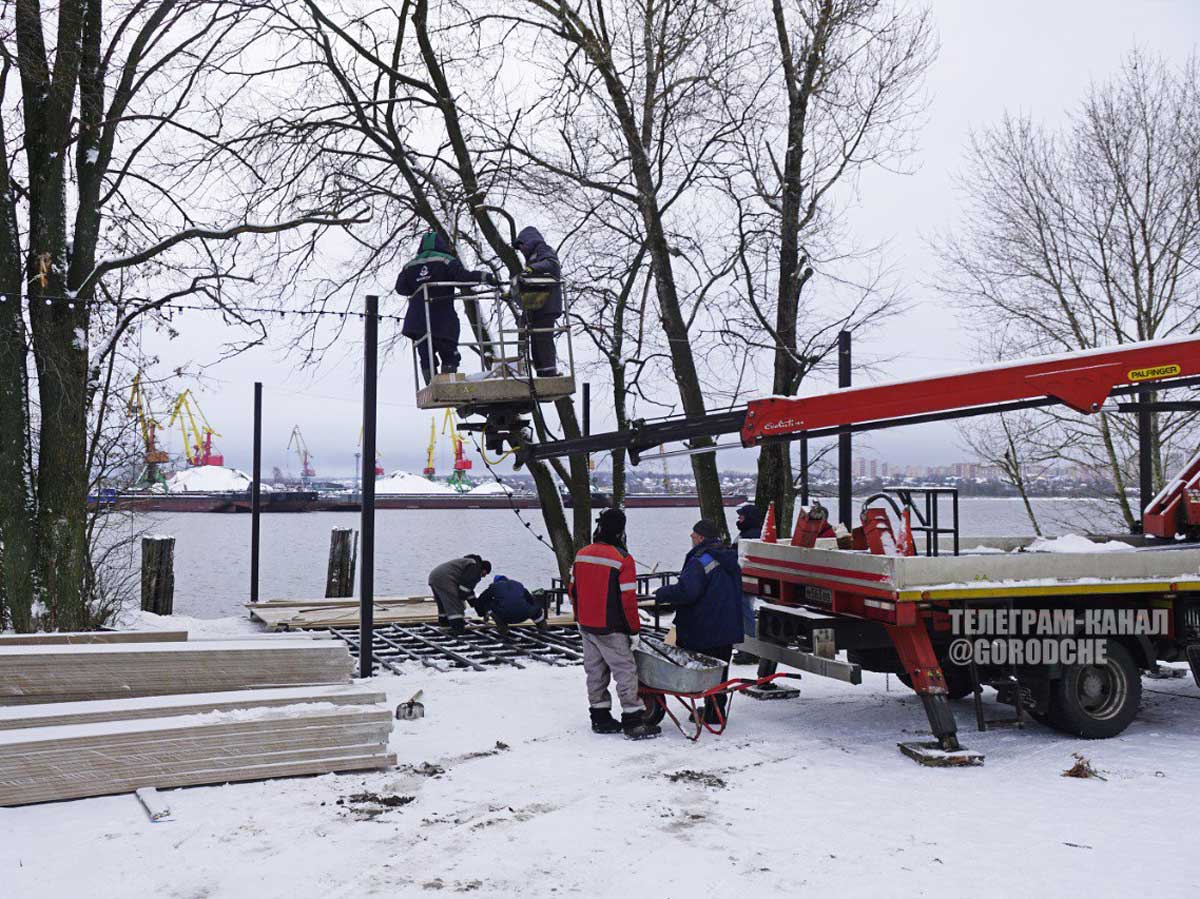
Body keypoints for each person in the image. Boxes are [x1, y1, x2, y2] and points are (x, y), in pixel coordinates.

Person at [570, 509, 659, 740]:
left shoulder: (581, 554)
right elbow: (627, 600)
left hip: (587, 624)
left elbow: (572, 590)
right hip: (611, 627)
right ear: (621, 529)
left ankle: (600, 717)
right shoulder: (622, 559)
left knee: (595, 671)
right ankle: (633, 721)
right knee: (625, 671)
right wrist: (634, 630)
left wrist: (579, 615)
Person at [654, 520, 744, 724]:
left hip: (703, 626)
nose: (691, 537)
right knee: (720, 669)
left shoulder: (700, 560)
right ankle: (715, 711)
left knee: (703, 670)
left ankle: (711, 711)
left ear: (701, 537)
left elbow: (688, 591)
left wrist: (662, 593)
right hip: (727, 625)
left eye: (693, 534)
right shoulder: (730, 558)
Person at [396, 231, 497, 384]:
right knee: (450, 353)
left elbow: (401, 288)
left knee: (426, 355)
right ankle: (447, 384)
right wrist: (485, 277)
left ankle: (432, 386)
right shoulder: (446, 260)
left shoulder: (409, 266)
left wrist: (420, 284)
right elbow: (463, 277)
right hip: (442, 319)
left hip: (416, 322)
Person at [513, 226, 563, 377]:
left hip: (547, 305)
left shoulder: (543, 249)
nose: (520, 249)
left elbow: (552, 265)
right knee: (536, 341)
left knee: (543, 339)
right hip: (537, 305)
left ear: (528, 241)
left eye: (521, 245)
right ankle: (542, 372)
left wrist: (532, 269)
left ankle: (549, 372)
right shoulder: (531, 257)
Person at [731, 502, 764, 665]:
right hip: (745, 579)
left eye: (741, 516)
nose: (739, 519)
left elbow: (739, 557)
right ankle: (747, 647)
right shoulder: (751, 533)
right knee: (744, 612)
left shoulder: (750, 535)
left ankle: (750, 649)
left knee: (745, 613)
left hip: (746, 580)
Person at [428, 554, 491, 634]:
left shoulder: (469, 563)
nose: (484, 576)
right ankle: (458, 628)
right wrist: (462, 600)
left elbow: (467, 589)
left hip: (434, 576)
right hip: (446, 579)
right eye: (485, 574)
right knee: (456, 604)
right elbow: (464, 590)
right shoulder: (475, 568)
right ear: (484, 569)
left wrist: (476, 605)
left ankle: (445, 626)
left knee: (443, 604)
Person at [472, 575, 548, 635]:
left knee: (487, 603)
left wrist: (481, 613)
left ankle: (502, 626)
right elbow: (531, 600)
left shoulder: (494, 586)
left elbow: (481, 600)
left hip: (505, 616)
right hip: (524, 614)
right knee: (536, 610)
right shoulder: (518, 584)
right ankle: (542, 628)